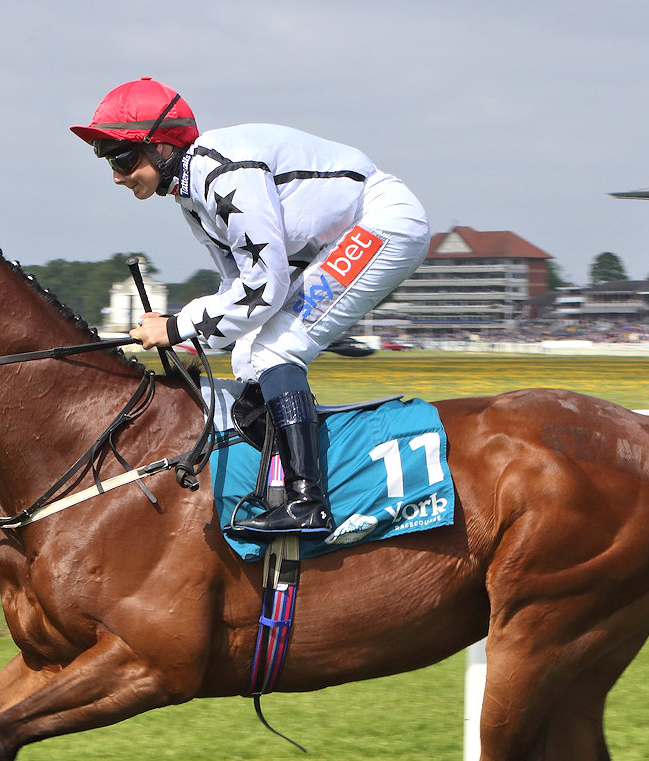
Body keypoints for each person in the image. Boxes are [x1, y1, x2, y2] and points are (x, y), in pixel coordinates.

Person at [71, 77, 431, 537]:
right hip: (334, 240)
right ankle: (279, 488)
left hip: (382, 221)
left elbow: (264, 288)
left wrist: (177, 326)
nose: (117, 176)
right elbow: (236, 286)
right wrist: (186, 338)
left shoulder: (221, 176)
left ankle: (309, 502)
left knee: (275, 350)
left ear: (161, 146)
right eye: (109, 161)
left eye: (123, 158)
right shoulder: (191, 194)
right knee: (247, 356)